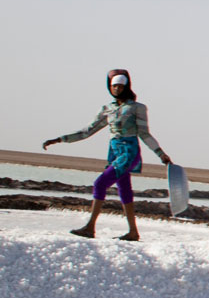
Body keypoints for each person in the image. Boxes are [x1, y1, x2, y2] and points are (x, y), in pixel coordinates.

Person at [43, 68, 174, 241]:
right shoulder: (107, 109)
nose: (117, 89)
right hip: (114, 152)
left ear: (126, 86)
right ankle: (133, 232)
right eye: (114, 86)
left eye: (120, 86)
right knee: (124, 190)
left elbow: (144, 133)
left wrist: (161, 154)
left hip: (128, 151)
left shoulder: (137, 108)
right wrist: (60, 139)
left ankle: (90, 227)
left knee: (100, 183)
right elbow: (87, 131)